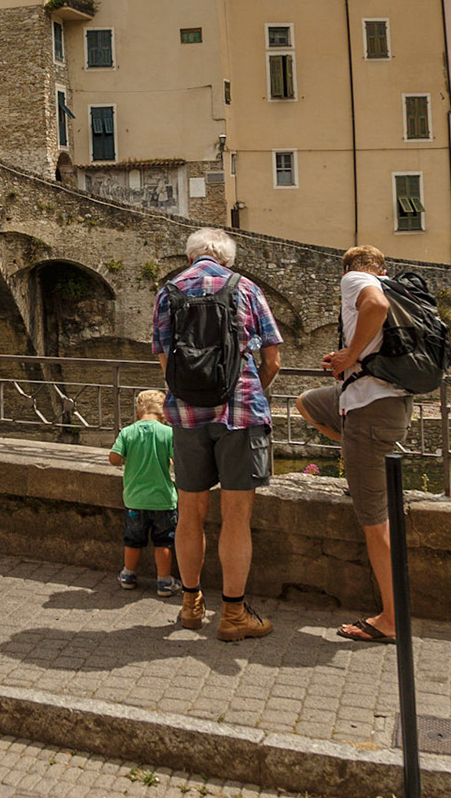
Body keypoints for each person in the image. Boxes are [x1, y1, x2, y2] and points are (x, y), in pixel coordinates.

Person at [152, 227, 282, 641]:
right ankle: (233, 614)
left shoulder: (169, 291)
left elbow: (164, 360)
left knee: (189, 514)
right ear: (226, 258)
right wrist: (250, 390)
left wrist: (192, 391)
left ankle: (191, 605)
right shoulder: (246, 288)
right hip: (240, 414)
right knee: (236, 518)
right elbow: (273, 359)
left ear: (191, 257)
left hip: (187, 415)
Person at [296, 245, 411, 643]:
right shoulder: (397, 286)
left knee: (375, 521)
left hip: (370, 412)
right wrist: (349, 359)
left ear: (348, 268)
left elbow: (374, 306)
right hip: (390, 404)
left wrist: (351, 354)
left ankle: (392, 620)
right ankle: (353, 446)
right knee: (307, 403)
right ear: (384, 266)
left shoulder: (357, 280)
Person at [109, 388, 177, 596]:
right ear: (164, 415)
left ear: (137, 414)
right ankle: (164, 581)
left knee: (133, 540)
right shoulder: (168, 433)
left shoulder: (127, 432)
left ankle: (128, 575)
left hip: (135, 500)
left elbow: (114, 458)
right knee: (164, 542)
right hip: (163, 500)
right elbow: (178, 460)